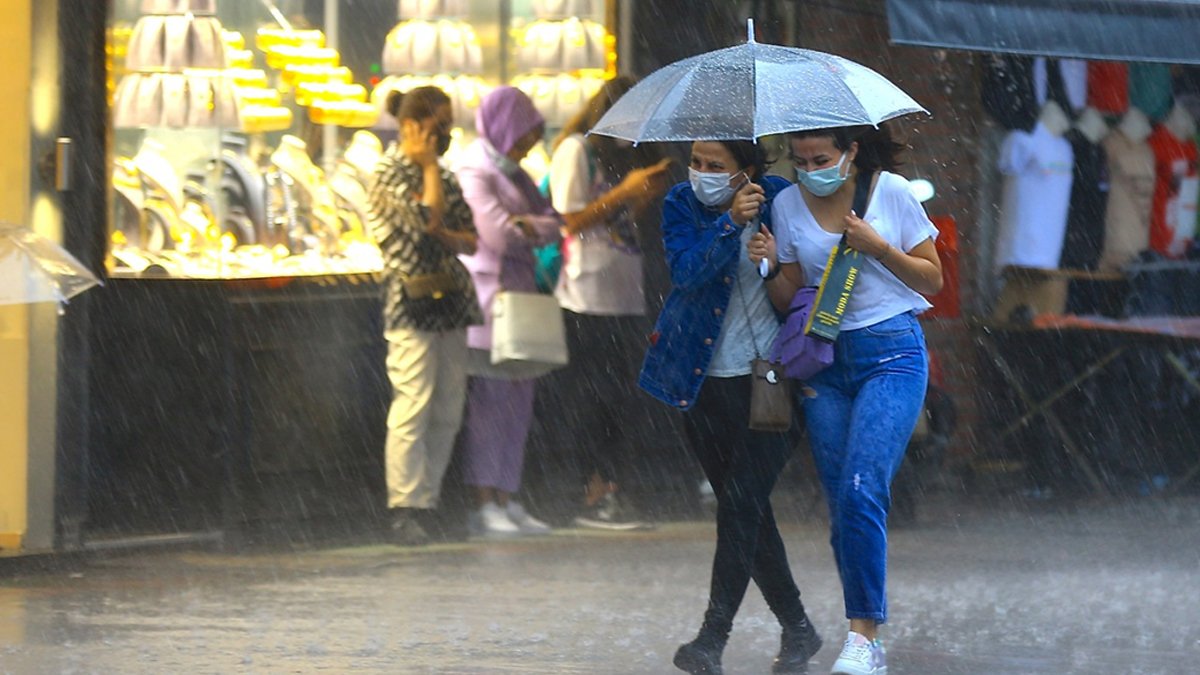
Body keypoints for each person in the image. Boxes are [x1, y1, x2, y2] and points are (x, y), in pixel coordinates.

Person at [751, 124, 943, 675]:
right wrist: (767, 266)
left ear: (851, 152)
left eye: (822, 158)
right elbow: (791, 298)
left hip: (892, 354)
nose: (812, 170)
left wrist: (878, 248)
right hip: (826, 362)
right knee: (841, 505)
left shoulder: (892, 194)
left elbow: (932, 278)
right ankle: (862, 632)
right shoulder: (787, 204)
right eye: (802, 160)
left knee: (862, 487)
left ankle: (864, 636)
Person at [639, 140, 822, 675]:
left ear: (746, 171)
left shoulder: (782, 199)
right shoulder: (680, 203)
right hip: (701, 384)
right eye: (696, 162)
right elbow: (686, 273)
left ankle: (711, 639)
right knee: (749, 513)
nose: (700, 174)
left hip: (770, 382)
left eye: (715, 166)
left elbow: (809, 273)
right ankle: (799, 629)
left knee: (741, 504)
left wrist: (770, 263)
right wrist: (727, 227)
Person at [543, 76, 673, 529]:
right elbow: (573, 220)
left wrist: (641, 195)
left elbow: (617, 223)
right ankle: (588, 488)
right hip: (585, 294)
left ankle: (613, 485)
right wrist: (626, 190)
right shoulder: (575, 150)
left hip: (624, 289)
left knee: (620, 395)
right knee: (589, 395)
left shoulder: (620, 153)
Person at [368, 86, 482, 546]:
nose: (446, 134)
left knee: (448, 407)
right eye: (439, 125)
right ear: (412, 126)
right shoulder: (387, 172)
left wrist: (442, 228)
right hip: (410, 302)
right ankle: (404, 506)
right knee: (412, 402)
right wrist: (430, 170)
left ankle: (428, 501)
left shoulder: (448, 174)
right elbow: (427, 218)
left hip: (450, 299)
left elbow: (470, 238)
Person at [454, 86, 563, 537]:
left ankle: (507, 494)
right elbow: (497, 235)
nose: (526, 147)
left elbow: (555, 224)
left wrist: (531, 227)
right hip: (489, 301)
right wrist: (533, 229)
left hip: (520, 299)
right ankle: (484, 499)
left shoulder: (514, 174)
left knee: (518, 401)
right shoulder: (476, 168)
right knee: (490, 404)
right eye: (522, 137)